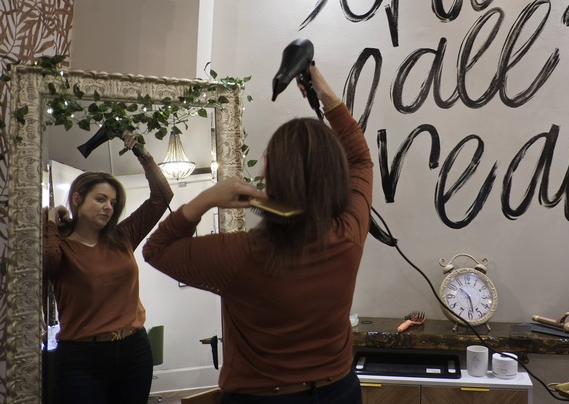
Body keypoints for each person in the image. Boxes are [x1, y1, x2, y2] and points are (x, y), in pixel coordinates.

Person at [143, 63, 372, 404]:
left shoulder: (240, 253)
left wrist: (208, 198)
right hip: (339, 390)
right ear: (335, 175)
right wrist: (324, 93)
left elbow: (156, 249)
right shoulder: (348, 234)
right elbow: (361, 160)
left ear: (269, 169)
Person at [44, 132, 174, 404]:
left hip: (134, 349)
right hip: (81, 357)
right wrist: (51, 222)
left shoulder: (123, 236)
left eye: (113, 203)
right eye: (100, 199)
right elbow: (47, 263)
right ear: (77, 199)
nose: (108, 207)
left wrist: (142, 153)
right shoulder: (62, 246)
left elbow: (162, 197)